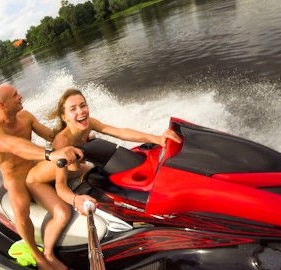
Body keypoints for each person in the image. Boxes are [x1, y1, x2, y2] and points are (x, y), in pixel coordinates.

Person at [26, 87, 182, 223]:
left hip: (71, 170)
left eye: (83, 105)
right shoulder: (62, 142)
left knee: (96, 173)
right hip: (39, 181)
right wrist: (76, 201)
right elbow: (60, 185)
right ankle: (47, 254)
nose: (80, 111)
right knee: (62, 216)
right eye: (73, 109)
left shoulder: (88, 123)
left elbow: (120, 132)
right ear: (64, 117)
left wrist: (156, 138)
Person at [0, 84, 82, 270]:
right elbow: (16, 146)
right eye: (15, 95)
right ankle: (39, 256)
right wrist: (50, 155)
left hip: (35, 168)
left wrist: (74, 134)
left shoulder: (26, 117)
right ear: (2, 104)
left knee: (84, 167)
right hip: (15, 180)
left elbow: (51, 136)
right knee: (20, 209)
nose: (20, 96)